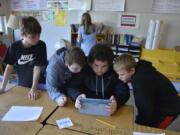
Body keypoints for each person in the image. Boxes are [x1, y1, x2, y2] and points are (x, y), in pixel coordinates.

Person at [113, 53, 180, 129]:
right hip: (158, 103)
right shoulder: (140, 69)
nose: (119, 77)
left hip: (169, 110)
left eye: (122, 74)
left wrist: (138, 126)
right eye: (118, 74)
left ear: (132, 70)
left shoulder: (140, 82)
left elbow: (144, 108)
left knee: (154, 130)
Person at [67, 44, 130, 115]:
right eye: (96, 65)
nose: (99, 70)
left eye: (104, 66)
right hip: (85, 108)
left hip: (108, 109)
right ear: (90, 63)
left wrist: (117, 102)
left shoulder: (114, 72)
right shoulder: (84, 69)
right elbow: (71, 87)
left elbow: (124, 92)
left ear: (109, 64)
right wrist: (77, 96)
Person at [0, 16, 47, 100]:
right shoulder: (14, 47)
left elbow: (37, 68)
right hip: (23, 82)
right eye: (32, 37)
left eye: (38, 35)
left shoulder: (41, 45)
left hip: (39, 83)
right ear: (23, 35)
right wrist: (3, 88)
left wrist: (34, 88)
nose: (37, 39)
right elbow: (9, 67)